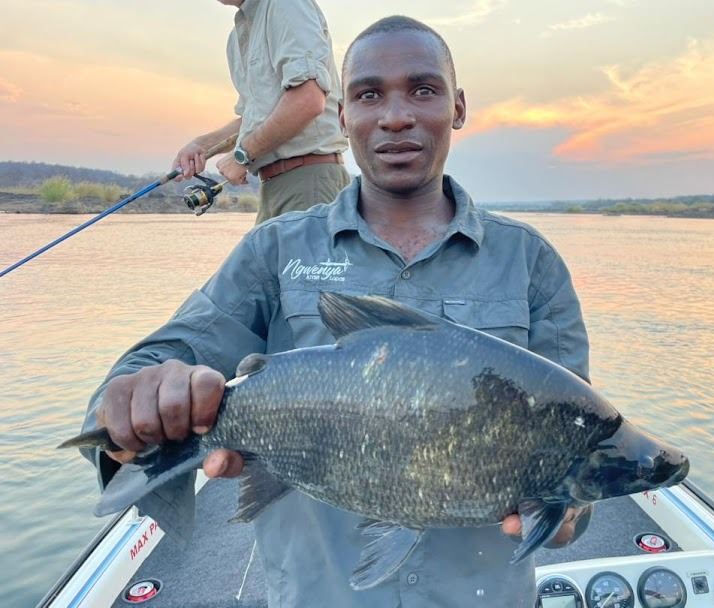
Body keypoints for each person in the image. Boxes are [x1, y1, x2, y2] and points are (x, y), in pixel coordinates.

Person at [81, 16, 591, 607]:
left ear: (457, 107)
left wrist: (563, 512)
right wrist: (136, 406)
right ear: (343, 117)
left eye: (422, 90)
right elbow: (152, 365)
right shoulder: (275, 251)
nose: (395, 116)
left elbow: (576, 457)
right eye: (369, 95)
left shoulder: (530, 262)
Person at [171, 0, 350, 224]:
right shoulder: (236, 38)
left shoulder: (285, 5)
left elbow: (308, 99)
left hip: (309, 182)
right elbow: (255, 120)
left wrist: (242, 155)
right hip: (273, 187)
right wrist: (203, 145)